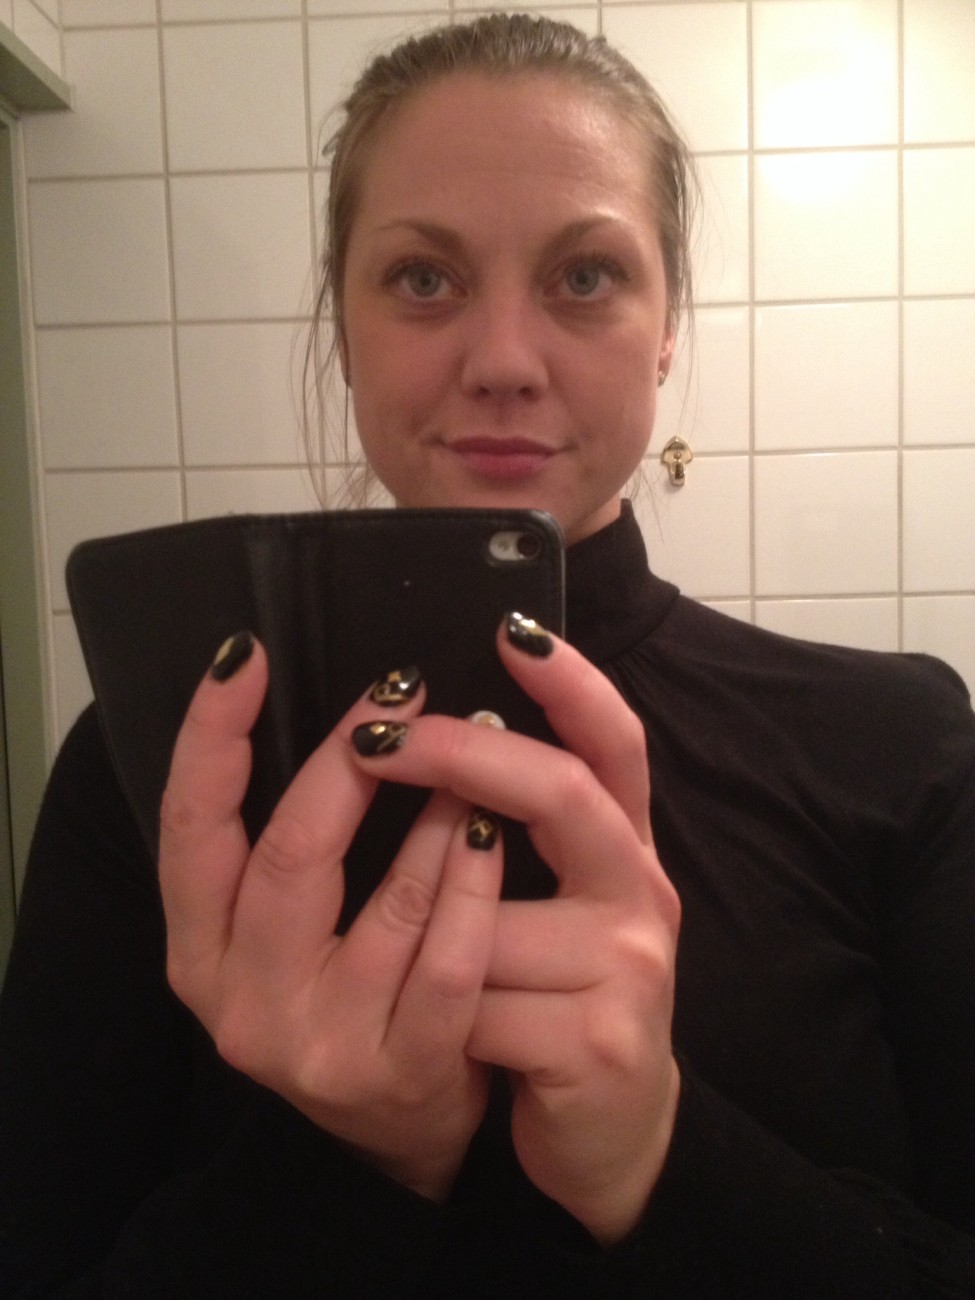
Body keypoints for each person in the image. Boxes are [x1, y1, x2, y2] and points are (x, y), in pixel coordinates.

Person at [1, 12, 973, 1298]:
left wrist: (657, 1156)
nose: (504, 361)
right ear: (343, 325)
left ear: (667, 325)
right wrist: (355, 1163)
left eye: (586, 276)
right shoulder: (173, 771)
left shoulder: (899, 746)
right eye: (422, 278)